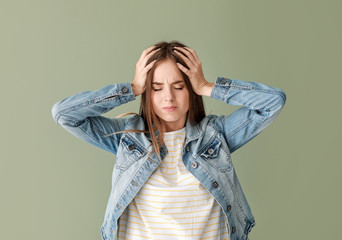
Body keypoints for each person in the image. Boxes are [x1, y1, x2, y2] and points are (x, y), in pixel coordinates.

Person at [51, 40, 286, 240]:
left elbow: (273, 102)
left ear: (191, 90)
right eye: (156, 88)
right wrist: (131, 88)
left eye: (178, 86)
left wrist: (207, 86)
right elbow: (64, 114)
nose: (168, 97)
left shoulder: (215, 136)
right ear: (147, 93)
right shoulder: (129, 138)